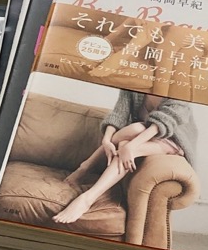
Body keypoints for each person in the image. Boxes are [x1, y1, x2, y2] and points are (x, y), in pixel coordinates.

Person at [53, 89, 196, 228]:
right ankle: (85, 167)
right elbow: (119, 115)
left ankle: (88, 198)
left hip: (172, 139)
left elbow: (161, 124)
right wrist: (106, 141)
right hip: (142, 133)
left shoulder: (180, 89)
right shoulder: (135, 84)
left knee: (130, 138)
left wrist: (130, 147)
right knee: (134, 130)